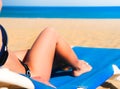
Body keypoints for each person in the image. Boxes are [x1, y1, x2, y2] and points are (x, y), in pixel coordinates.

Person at [0, 0, 92, 88]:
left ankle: (59, 61)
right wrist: (33, 82)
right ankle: (79, 66)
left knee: (51, 51)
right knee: (51, 33)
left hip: (11, 61)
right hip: (31, 75)